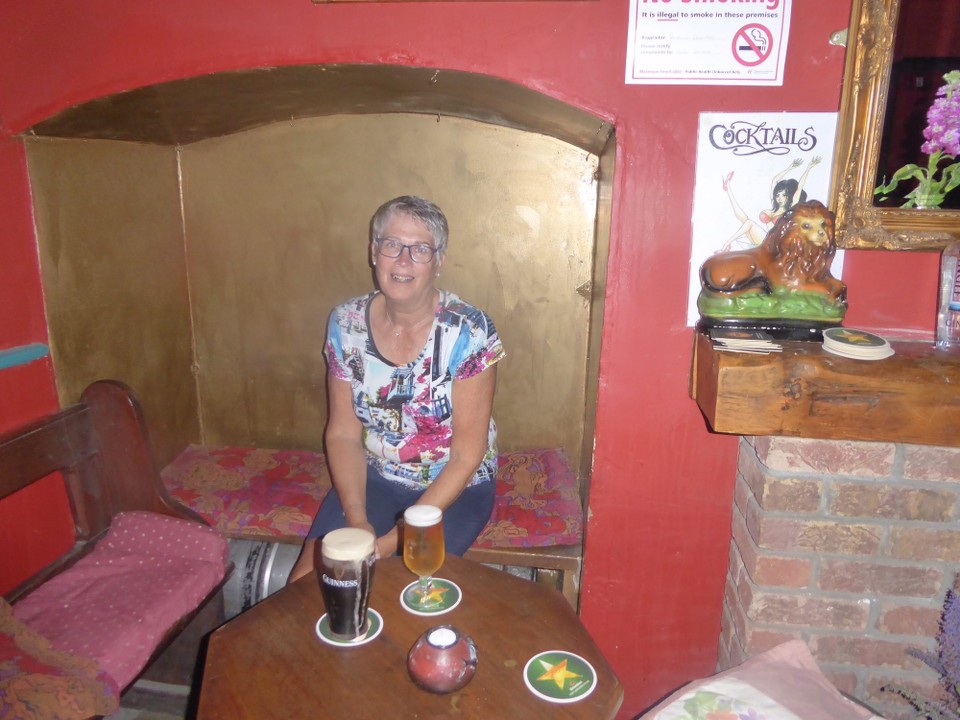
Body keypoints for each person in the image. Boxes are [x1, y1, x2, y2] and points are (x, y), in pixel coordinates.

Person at [288, 195, 505, 583]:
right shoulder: (346, 322)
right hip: (376, 478)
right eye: (392, 245)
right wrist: (357, 521)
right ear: (374, 253)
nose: (403, 260)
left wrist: (394, 540)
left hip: (454, 489)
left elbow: (466, 455)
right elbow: (342, 433)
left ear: (438, 262)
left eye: (420, 249)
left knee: (394, 589)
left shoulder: (469, 331)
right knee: (306, 587)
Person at [720, 156, 822, 251]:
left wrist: (808, 168)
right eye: (777, 195)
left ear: (789, 197)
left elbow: (799, 186)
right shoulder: (774, 203)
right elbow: (774, 180)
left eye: (783, 195)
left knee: (748, 223)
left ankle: (727, 244)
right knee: (744, 219)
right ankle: (728, 189)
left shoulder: (790, 208)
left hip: (773, 245)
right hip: (764, 239)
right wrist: (789, 168)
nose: (779, 198)